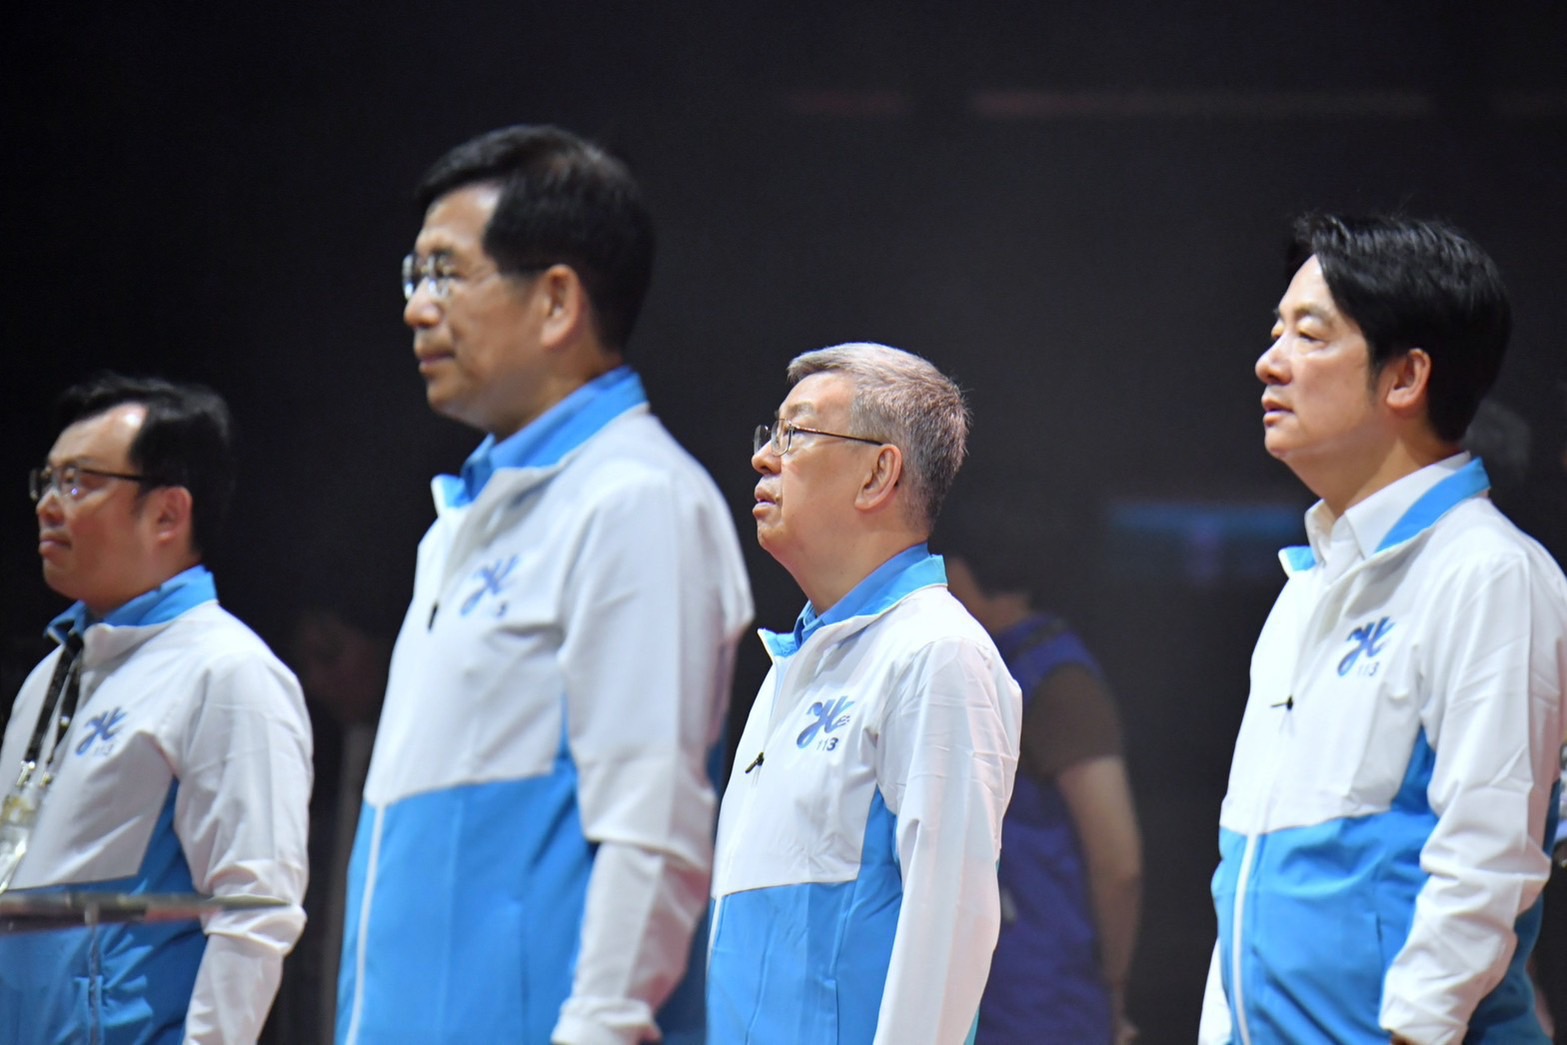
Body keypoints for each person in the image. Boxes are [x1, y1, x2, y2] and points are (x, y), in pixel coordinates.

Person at [337, 125, 753, 1045]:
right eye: (413, 277)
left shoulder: (636, 500)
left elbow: (654, 821)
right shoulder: (464, 521)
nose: (417, 309)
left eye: (446, 274)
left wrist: (601, 1024)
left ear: (557, 300)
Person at [1200, 214, 1567, 1044]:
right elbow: (1243, 868)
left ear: (1404, 377)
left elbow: (1485, 859)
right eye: (1275, 332)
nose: (1269, 361)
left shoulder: (1487, 573)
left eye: (1309, 334)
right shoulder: (1304, 588)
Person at [708, 342, 1022, 1043]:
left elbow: (949, 934)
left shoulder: (937, 651)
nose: (764, 458)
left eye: (795, 433)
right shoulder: (790, 663)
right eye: (769, 433)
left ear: (879, 472)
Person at [0, 374, 313, 1043]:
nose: (49, 505)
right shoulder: (47, 677)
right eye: (47, 481)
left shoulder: (226, 670)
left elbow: (254, 912)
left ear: (168, 513)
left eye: (78, 483)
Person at [939, 496, 1142, 1044]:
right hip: (990, 993)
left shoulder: (1059, 681)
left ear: (962, 571)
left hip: (1046, 1000)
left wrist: (1113, 986)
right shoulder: (981, 665)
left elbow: (1118, 861)